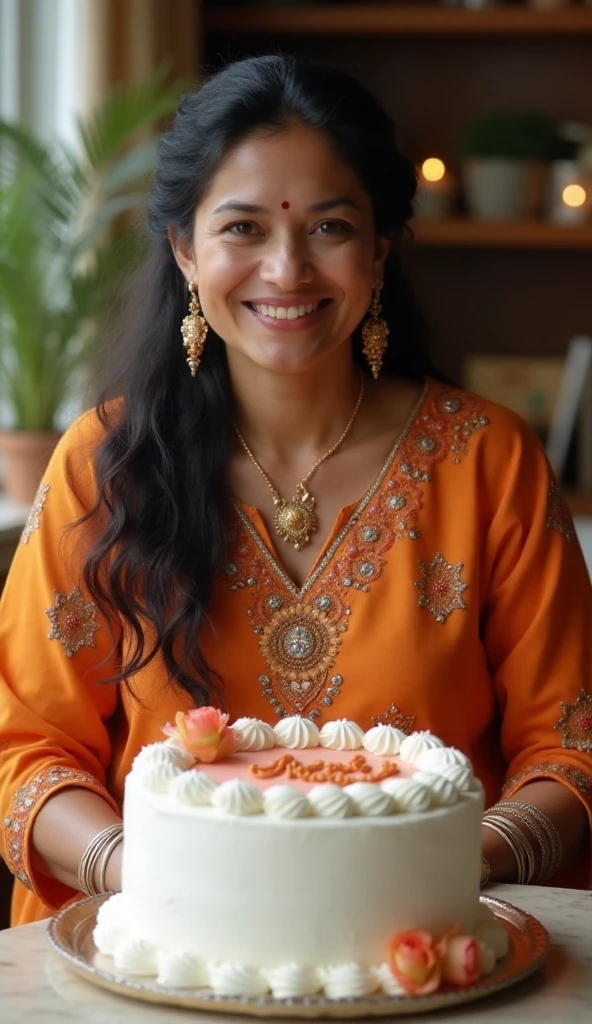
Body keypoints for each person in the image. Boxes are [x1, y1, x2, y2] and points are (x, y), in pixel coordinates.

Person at [0, 55, 590, 929]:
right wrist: (151, 879)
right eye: (242, 228)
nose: (287, 269)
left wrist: (438, 861)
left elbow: (571, 746)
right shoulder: (104, 465)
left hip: (422, 946)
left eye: (330, 228)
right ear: (184, 250)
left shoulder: (488, 463)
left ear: (380, 249)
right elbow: (27, 749)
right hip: (165, 948)